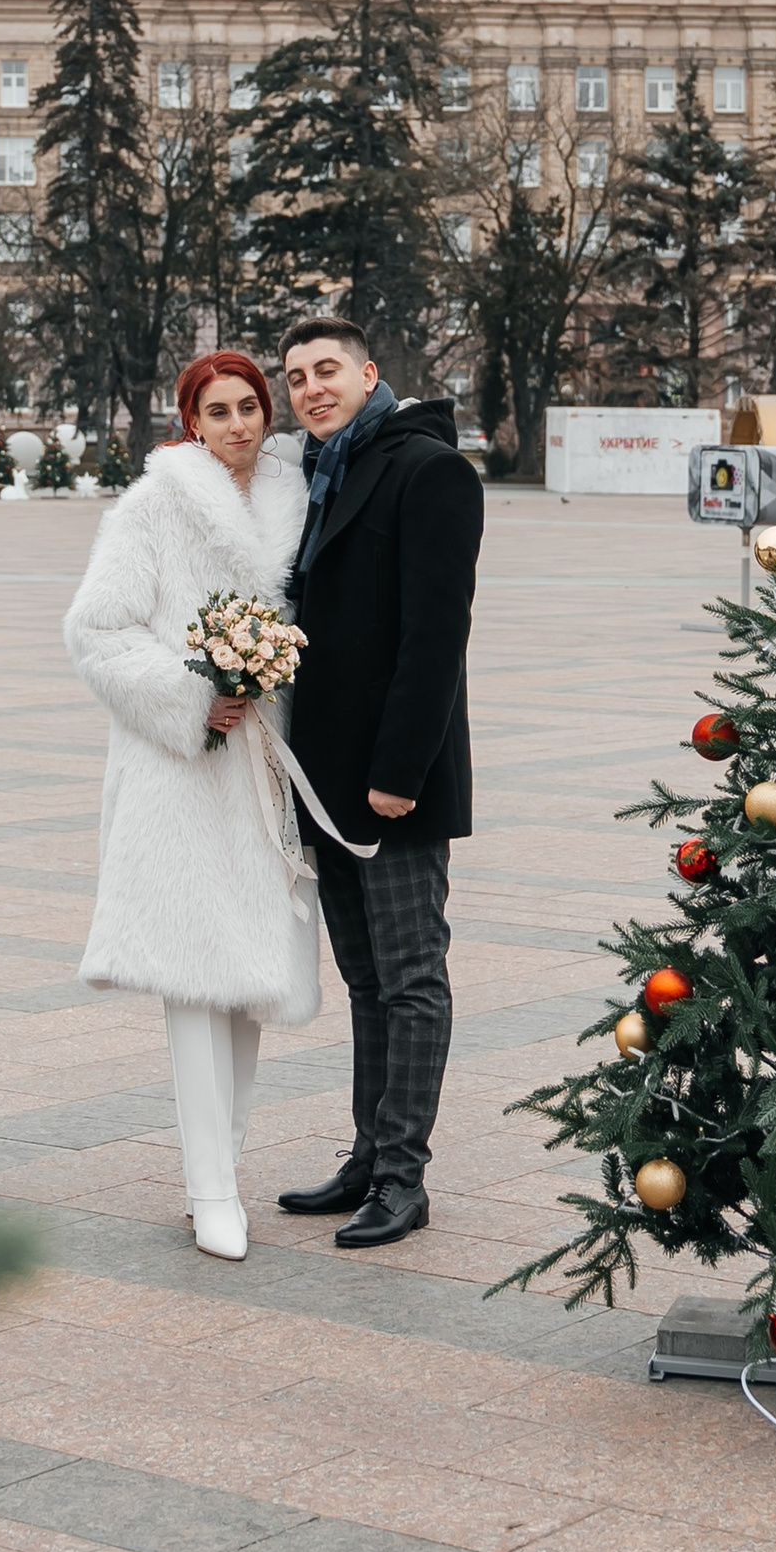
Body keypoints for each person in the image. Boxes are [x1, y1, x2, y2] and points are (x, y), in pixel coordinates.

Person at [62, 351, 319, 1258]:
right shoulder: (153, 507)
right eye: (218, 411)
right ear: (191, 422)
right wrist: (192, 691)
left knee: (248, 980)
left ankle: (227, 1169)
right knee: (195, 983)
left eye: (249, 406)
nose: (238, 425)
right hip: (181, 773)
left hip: (264, 768)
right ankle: (210, 1189)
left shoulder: (296, 498)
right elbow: (97, 629)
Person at [273, 314, 482, 1249]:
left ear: (369, 374)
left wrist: (399, 772)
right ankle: (368, 1156)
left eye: (327, 370)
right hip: (327, 781)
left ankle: (404, 1177)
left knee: (410, 980)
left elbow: (435, 638)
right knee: (365, 980)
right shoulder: (324, 472)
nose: (311, 389)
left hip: (393, 784)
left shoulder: (429, 470)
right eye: (296, 377)